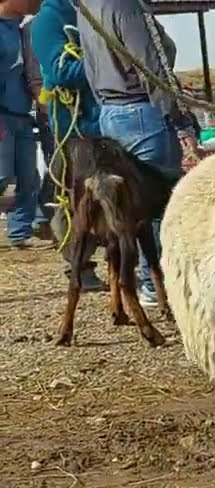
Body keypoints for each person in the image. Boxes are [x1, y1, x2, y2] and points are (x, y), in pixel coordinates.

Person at [78, 0, 198, 306]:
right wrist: (180, 119)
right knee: (159, 201)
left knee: (129, 207)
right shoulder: (126, 6)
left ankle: (144, 284)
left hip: (110, 109)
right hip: (142, 110)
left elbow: (91, 66)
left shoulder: (88, 6)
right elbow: (151, 67)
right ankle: (158, 283)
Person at [31, 0, 102, 285]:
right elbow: (61, 72)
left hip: (102, 119)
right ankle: (79, 266)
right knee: (75, 200)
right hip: (74, 124)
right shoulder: (49, 18)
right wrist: (107, 61)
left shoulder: (95, 10)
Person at [0, 0, 43, 250]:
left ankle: (20, 232)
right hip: (3, 113)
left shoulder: (22, 30)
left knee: (28, 176)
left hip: (23, 112)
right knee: (2, 176)